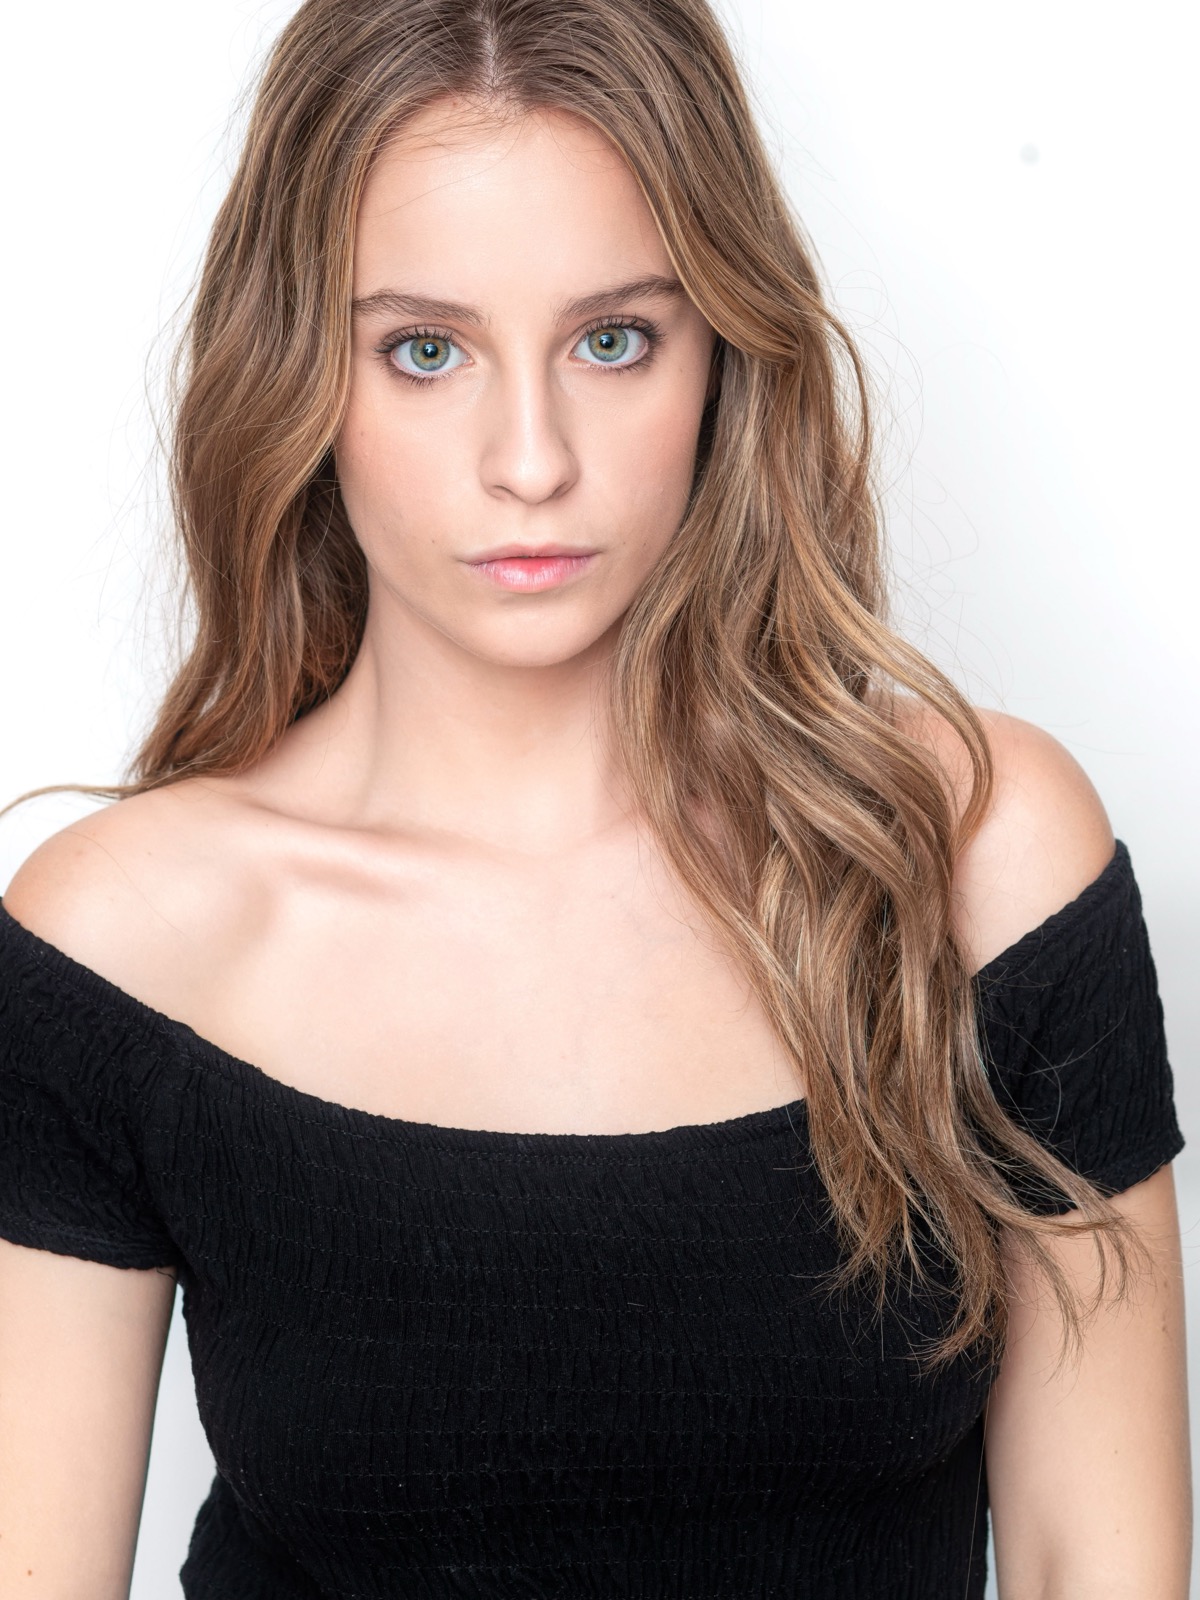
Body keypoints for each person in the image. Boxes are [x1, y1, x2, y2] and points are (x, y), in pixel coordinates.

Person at [0, 0, 1189, 1594]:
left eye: (613, 340)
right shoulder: (125, 947)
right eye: (425, 351)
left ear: (723, 352)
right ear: (298, 371)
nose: (532, 460)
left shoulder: (983, 866)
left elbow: (1091, 1564)